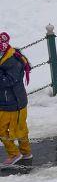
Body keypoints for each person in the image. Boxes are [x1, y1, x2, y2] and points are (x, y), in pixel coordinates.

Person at [0, 32, 32, 166]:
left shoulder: (12, 61)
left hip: (13, 104)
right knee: (20, 129)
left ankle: (15, 154)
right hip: (10, 102)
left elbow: (8, 81)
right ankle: (26, 153)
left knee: (4, 130)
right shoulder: (6, 57)